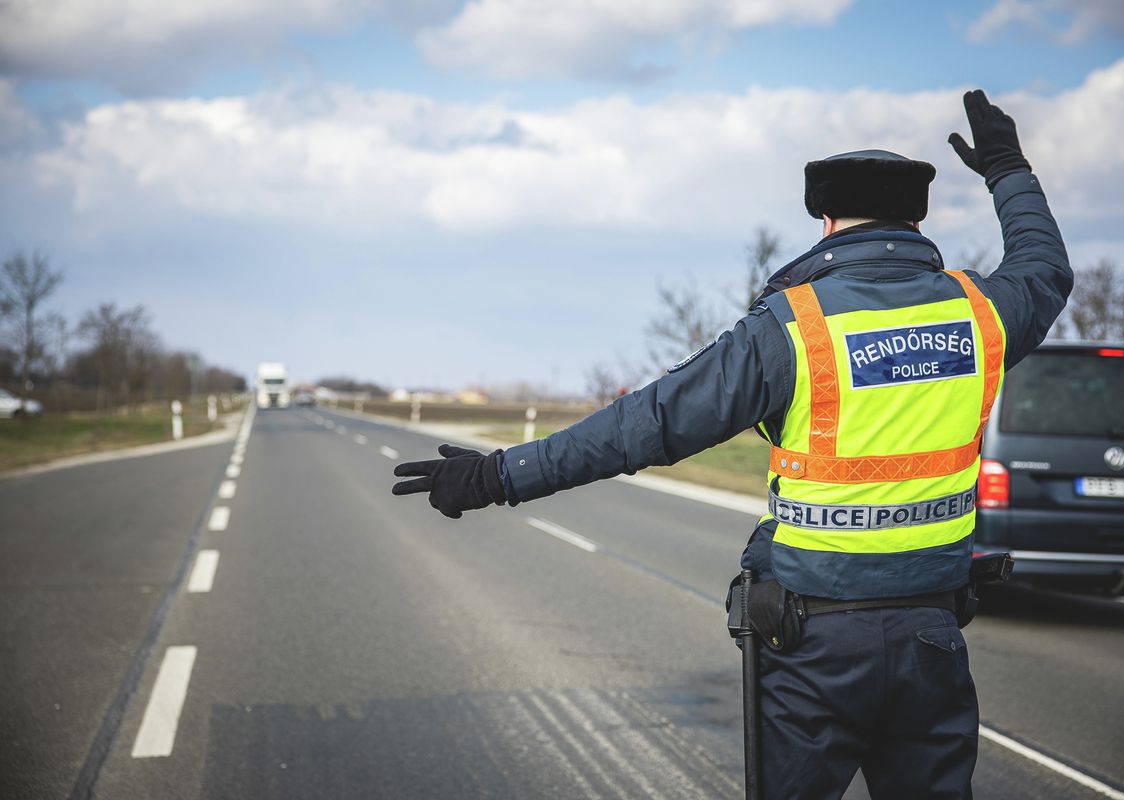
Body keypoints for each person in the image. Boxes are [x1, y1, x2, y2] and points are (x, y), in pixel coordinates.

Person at [392, 90, 1072, 799]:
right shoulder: (982, 313)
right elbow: (1045, 266)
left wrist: (499, 475)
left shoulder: (793, 326)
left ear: (828, 220)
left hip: (817, 648)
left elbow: (647, 424)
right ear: (918, 218)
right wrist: (1008, 170)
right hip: (934, 637)